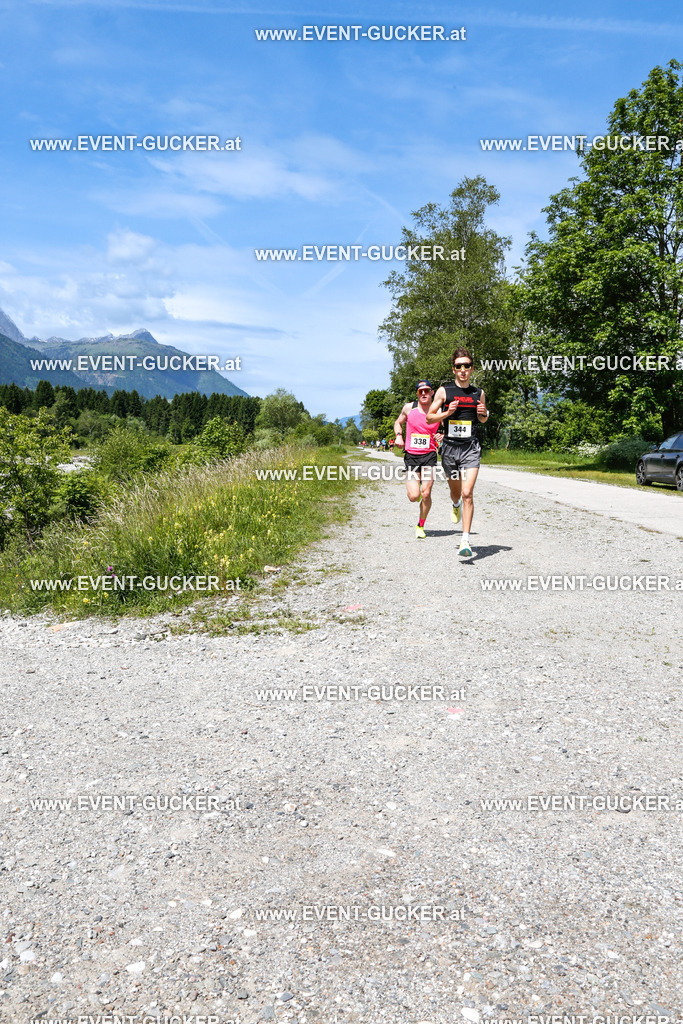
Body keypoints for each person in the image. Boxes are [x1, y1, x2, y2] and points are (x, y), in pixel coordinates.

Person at [426, 348, 488, 557]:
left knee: (467, 492)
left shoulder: (478, 393)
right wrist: (447, 412)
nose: (463, 370)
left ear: (472, 369)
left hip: (471, 447)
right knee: (456, 492)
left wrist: (484, 414)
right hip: (450, 449)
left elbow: (482, 419)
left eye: (467, 366)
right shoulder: (444, 391)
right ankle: (455, 504)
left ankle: (465, 541)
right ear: (453, 369)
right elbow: (429, 418)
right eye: (459, 366)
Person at [394, 380, 442, 539]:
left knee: (426, 493)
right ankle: (418, 493)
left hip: (429, 455)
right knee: (414, 496)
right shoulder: (409, 408)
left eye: (426, 390)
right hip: (411, 457)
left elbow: (447, 428)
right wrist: (399, 436)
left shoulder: (438, 410)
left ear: (432, 392)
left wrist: (441, 435)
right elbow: (397, 422)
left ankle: (420, 525)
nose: (423, 393)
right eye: (420, 391)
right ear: (417, 394)